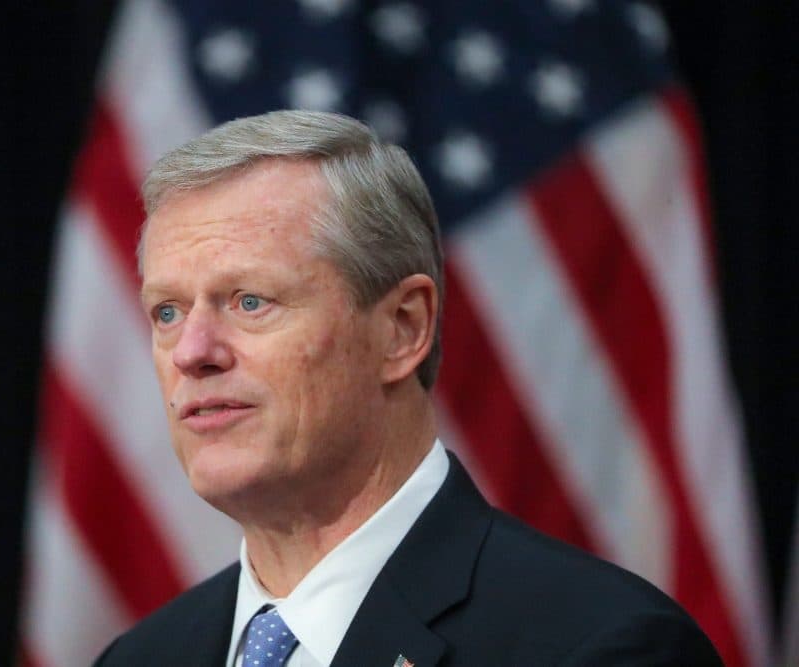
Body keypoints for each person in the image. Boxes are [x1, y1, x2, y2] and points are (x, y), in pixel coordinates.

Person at [93, 110, 722, 666]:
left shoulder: (602, 647)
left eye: (250, 301)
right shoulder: (141, 657)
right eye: (167, 313)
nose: (194, 353)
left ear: (403, 328)